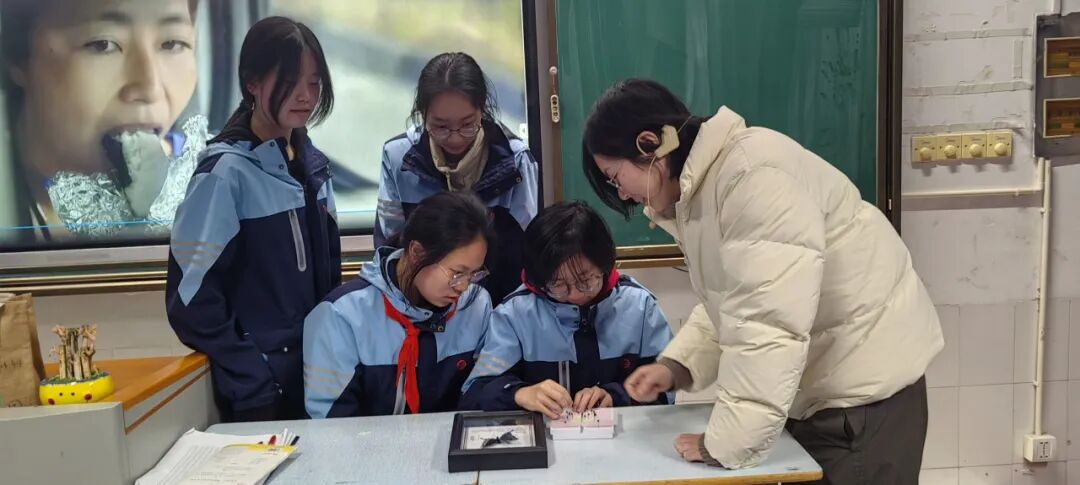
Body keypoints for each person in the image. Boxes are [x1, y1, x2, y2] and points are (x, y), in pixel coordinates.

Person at [580, 79, 943, 484]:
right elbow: (736, 302)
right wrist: (677, 366)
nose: (622, 195)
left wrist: (724, 445)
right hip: (831, 392)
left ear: (650, 144)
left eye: (615, 177)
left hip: (861, 400)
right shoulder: (709, 188)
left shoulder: (752, 176)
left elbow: (767, 325)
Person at [165, 16, 339, 422]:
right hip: (262, 394)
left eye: (314, 83)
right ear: (252, 83)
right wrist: (253, 374)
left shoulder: (314, 167)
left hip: (320, 377)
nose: (305, 96)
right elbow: (190, 301)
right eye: (290, 82)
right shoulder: (225, 175)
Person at [0, 0, 202, 240]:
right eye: (102, 45)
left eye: (173, 43)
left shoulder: (201, 177)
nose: (150, 88)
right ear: (18, 56)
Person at [460, 201, 672, 418]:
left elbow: (666, 391)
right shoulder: (515, 314)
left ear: (605, 265)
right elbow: (475, 392)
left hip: (621, 435)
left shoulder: (640, 307)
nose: (575, 295)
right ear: (539, 279)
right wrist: (518, 394)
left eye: (585, 280)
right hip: (544, 436)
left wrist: (616, 397)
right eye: (558, 285)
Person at [304, 192, 494, 418]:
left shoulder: (475, 306)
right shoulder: (340, 315)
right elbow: (331, 423)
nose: (463, 287)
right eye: (457, 273)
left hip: (450, 438)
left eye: (473, 274)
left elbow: (480, 393)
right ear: (416, 252)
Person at [375, 52, 538, 304]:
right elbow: (390, 248)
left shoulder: (515, 161)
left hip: (495, 306)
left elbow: (526, 254)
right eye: (440, 126)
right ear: (422, 114)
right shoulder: (398, 158)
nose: (454, 137)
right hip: (417, 307)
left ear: (482, 110)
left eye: (467, 124)